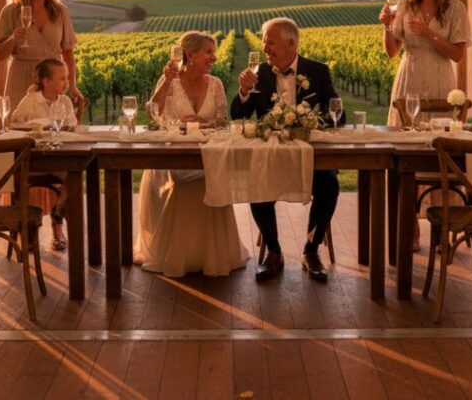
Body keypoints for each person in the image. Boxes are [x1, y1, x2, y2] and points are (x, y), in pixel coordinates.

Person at [230, 18, 342, 282]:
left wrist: (310, 123)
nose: (265, 47)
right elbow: (238, 115)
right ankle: (273, 251)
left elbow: (337, 113)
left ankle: (311, 251)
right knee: (256, 182)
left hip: (307, 156)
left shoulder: (318, 71)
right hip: (270, 157)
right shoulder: (258, 72)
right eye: (264, 41)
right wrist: (244, 91)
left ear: (292, 44)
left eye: (271, 41)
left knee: (330, 184)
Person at [134, 32, 248, 277]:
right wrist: (165, 83)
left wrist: (202, 124)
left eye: (213, 51)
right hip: (173, 153)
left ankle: (207, 254)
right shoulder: (171, 81)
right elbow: (153, 113)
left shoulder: (215, 83)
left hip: (206, 154)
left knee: (211, 179)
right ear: (190, 54)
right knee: (181, 183)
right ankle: (178, 255)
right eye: (208, 52)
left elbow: (221, 122)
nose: (214, 57)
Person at [379, 0, 470, 127]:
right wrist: (387, 26)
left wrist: (429, 34)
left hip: (440, 81)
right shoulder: (405, 4)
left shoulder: (455, 8)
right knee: (406, 135)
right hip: (409, 79)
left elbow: (458, 55)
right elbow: (391, 52)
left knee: (438, 135)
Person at [0, 0, 80, 112]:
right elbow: (0, 55)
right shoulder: (11, 12)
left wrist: (72, 85)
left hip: (50, 80)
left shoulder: (60, 12)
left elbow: (68, 53)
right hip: (20, 78)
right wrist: (13, 39)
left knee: (53, 128)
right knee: (19, 129)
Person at [11, 58, 77, 250]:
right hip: (33, 161)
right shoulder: (31, 100)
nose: (66, 83)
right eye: (62, 79)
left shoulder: (65, 101)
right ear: (46, 82)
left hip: (57, 158)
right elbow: (14, 123)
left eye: (67, 78)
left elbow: (72, 127)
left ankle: (58, 217)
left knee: (73, 175)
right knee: (18, 179)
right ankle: (28, 231)